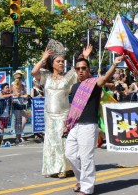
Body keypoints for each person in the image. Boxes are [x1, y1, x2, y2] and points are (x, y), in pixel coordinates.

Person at [31, 39, 92, 179]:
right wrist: (44, 58)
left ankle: (65, 168)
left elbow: (78, 69)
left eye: (63, 61)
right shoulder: (46, 76)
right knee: (51, 141)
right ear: (52, 63)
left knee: (61, 141)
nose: (61, 63)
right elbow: (34, 72)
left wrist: (85, 57)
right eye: (58, 61)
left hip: (63, 113)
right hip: (49, 115)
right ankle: (51, 167)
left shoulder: (68, 77)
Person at [65, 55, 123, 195]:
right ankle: (81, 180)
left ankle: (87, 188)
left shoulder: (94, 84)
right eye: (78, 69)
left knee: (86, 158)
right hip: (75, 126)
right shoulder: (74, 87)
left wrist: (114, 64)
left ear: (88, 70)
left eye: (83, 68)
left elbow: (105, 78)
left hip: (88, 126)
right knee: (70, 155)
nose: (80, 71)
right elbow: (73, 107)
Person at [11, 70, 29, 144]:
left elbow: (25, 93)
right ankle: (17, 137)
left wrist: (24, 95)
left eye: (20, 75)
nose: (19, 77)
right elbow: (16, 94)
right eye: (18, 75)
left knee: (25, 117)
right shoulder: (13, 84)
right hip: (16, 103)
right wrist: (23, 95)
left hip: (22, 103)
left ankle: (20, 134)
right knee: (18, 120)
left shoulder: (23, 84)